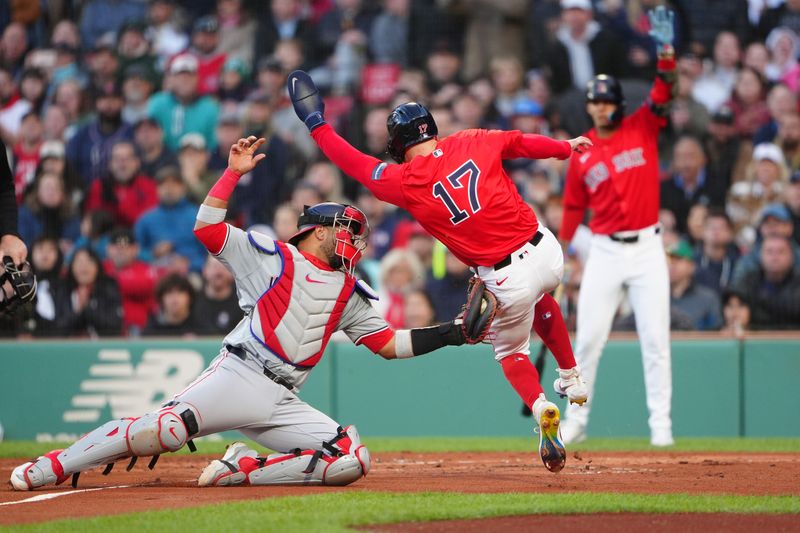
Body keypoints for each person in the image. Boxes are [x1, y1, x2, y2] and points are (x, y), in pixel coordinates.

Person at [10, 135, 473, 491]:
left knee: (351, 457)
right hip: (241, 373)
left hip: (283, 397)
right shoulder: (273, 256)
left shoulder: (352, 289)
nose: (353, 238)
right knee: (167, 429)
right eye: (344, 229)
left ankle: (240, 470)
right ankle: (54, 464)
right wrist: (232, 174)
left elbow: (389, 345)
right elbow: (207, 229)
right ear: (315, 231)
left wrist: (452, 333)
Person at [288, 69, 593, 471]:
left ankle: (540, 407)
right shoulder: (471, 139)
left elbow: (353, 162)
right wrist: (564, 147)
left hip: (504, 279)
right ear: (431, 127)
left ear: (397, 144)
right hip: (546, 250)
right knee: (541, 297)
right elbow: (521, 143)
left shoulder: (403, 181)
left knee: (511, 351)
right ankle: (572, 375)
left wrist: (316, 124)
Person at [558, 7, 677, 446]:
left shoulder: (642, 126)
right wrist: (563, 253)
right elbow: (572, 208)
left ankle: (660, 427)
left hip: (647, 249)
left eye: (607, 100)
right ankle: (577, 421)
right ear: (589, 105)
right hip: (605, 250)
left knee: (655, 342)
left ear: (618, 104)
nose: (601, 106)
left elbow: (665, 90)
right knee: (587, 342)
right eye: (596, 100)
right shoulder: (582, 152)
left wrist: (666, 53)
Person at [730, 235, 800, 329]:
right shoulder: (747, 282)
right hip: (755, 339)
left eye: (781, 252)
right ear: (760, 255)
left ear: (792, 256)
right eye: (769, 252)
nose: (775, 257)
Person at [666, 240, 722, 331]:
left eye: (678, 259)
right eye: (668, 259)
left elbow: (715, 335)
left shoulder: (708, 298)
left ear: (692, 266)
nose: (671, 264)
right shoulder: (654, 297)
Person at [193, 255, 243, 335]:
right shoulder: (193, 301)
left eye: (223, 266)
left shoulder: (243, 303)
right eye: (214, 266)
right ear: (205, 270)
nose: (218, 272)